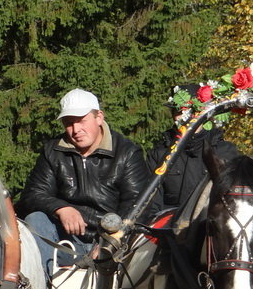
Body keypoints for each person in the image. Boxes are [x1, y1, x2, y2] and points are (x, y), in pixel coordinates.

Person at [16, 88, 151, 277]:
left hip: (112, 242)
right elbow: (31, 195)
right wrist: (60, 208)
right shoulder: (52, 151)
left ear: (99, 117)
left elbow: (137, 206)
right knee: (35, 220)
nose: (76, 130)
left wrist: (109, 243)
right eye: (69, 123)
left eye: (81, 120)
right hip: (63, 241)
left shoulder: (127, 153)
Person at [145, 83, 241, 219]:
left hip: (212, 230)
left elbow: (235, 203)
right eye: (177, 112)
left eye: (187, 111)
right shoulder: (160, 154)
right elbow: (151, 206)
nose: (180, 117)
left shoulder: (225, 153)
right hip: (168, 230)